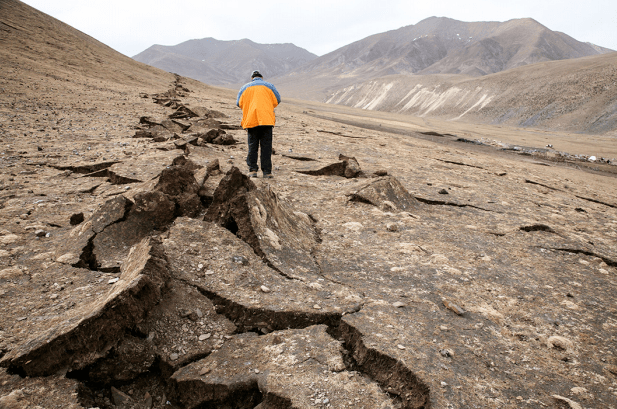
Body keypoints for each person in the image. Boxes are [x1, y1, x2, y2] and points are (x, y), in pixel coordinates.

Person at [236, 70, 281, 178]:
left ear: (252, 78)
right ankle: (267, 172)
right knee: (266, 146)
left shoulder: (244, 87)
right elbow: (277, 100)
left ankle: (252, 170)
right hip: (267, 120)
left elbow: (239, 103)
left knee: (253, 146)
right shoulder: (269, 86)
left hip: (251, 120)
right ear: (262, 77)